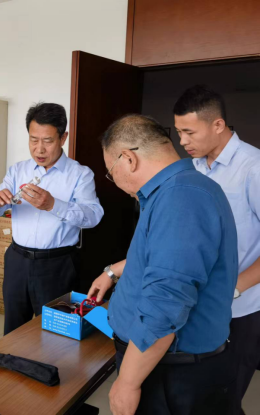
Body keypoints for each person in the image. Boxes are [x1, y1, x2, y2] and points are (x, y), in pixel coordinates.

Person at [88, 114, 239, 415]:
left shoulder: (181, 198)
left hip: (172, 371)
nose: (114, 182)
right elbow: (160, 259)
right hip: (165, 363)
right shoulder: (177, 190)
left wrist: (127, 383)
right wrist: (113, 271)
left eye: (110, 172)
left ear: (128, 159)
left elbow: (166, 302)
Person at [174, 85, 260, 414]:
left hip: (240, 309)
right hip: (196, 305)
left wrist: (233, 289)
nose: (183, 141)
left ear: (218, 125)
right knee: (197, 396)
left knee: (225, 400)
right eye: (179, 132)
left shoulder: (253, 168)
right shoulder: (192, 168)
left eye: (189, 132)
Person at [0, 102, 104, 335]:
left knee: (56, 334)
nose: (39, 149)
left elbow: (93, 216)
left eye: (47, 141)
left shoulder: (80, 174)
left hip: (57, 265)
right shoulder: (17, 170)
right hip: (17, 260)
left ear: (63, 138)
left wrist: (53, 205)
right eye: (33, 140)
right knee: (13, 329)